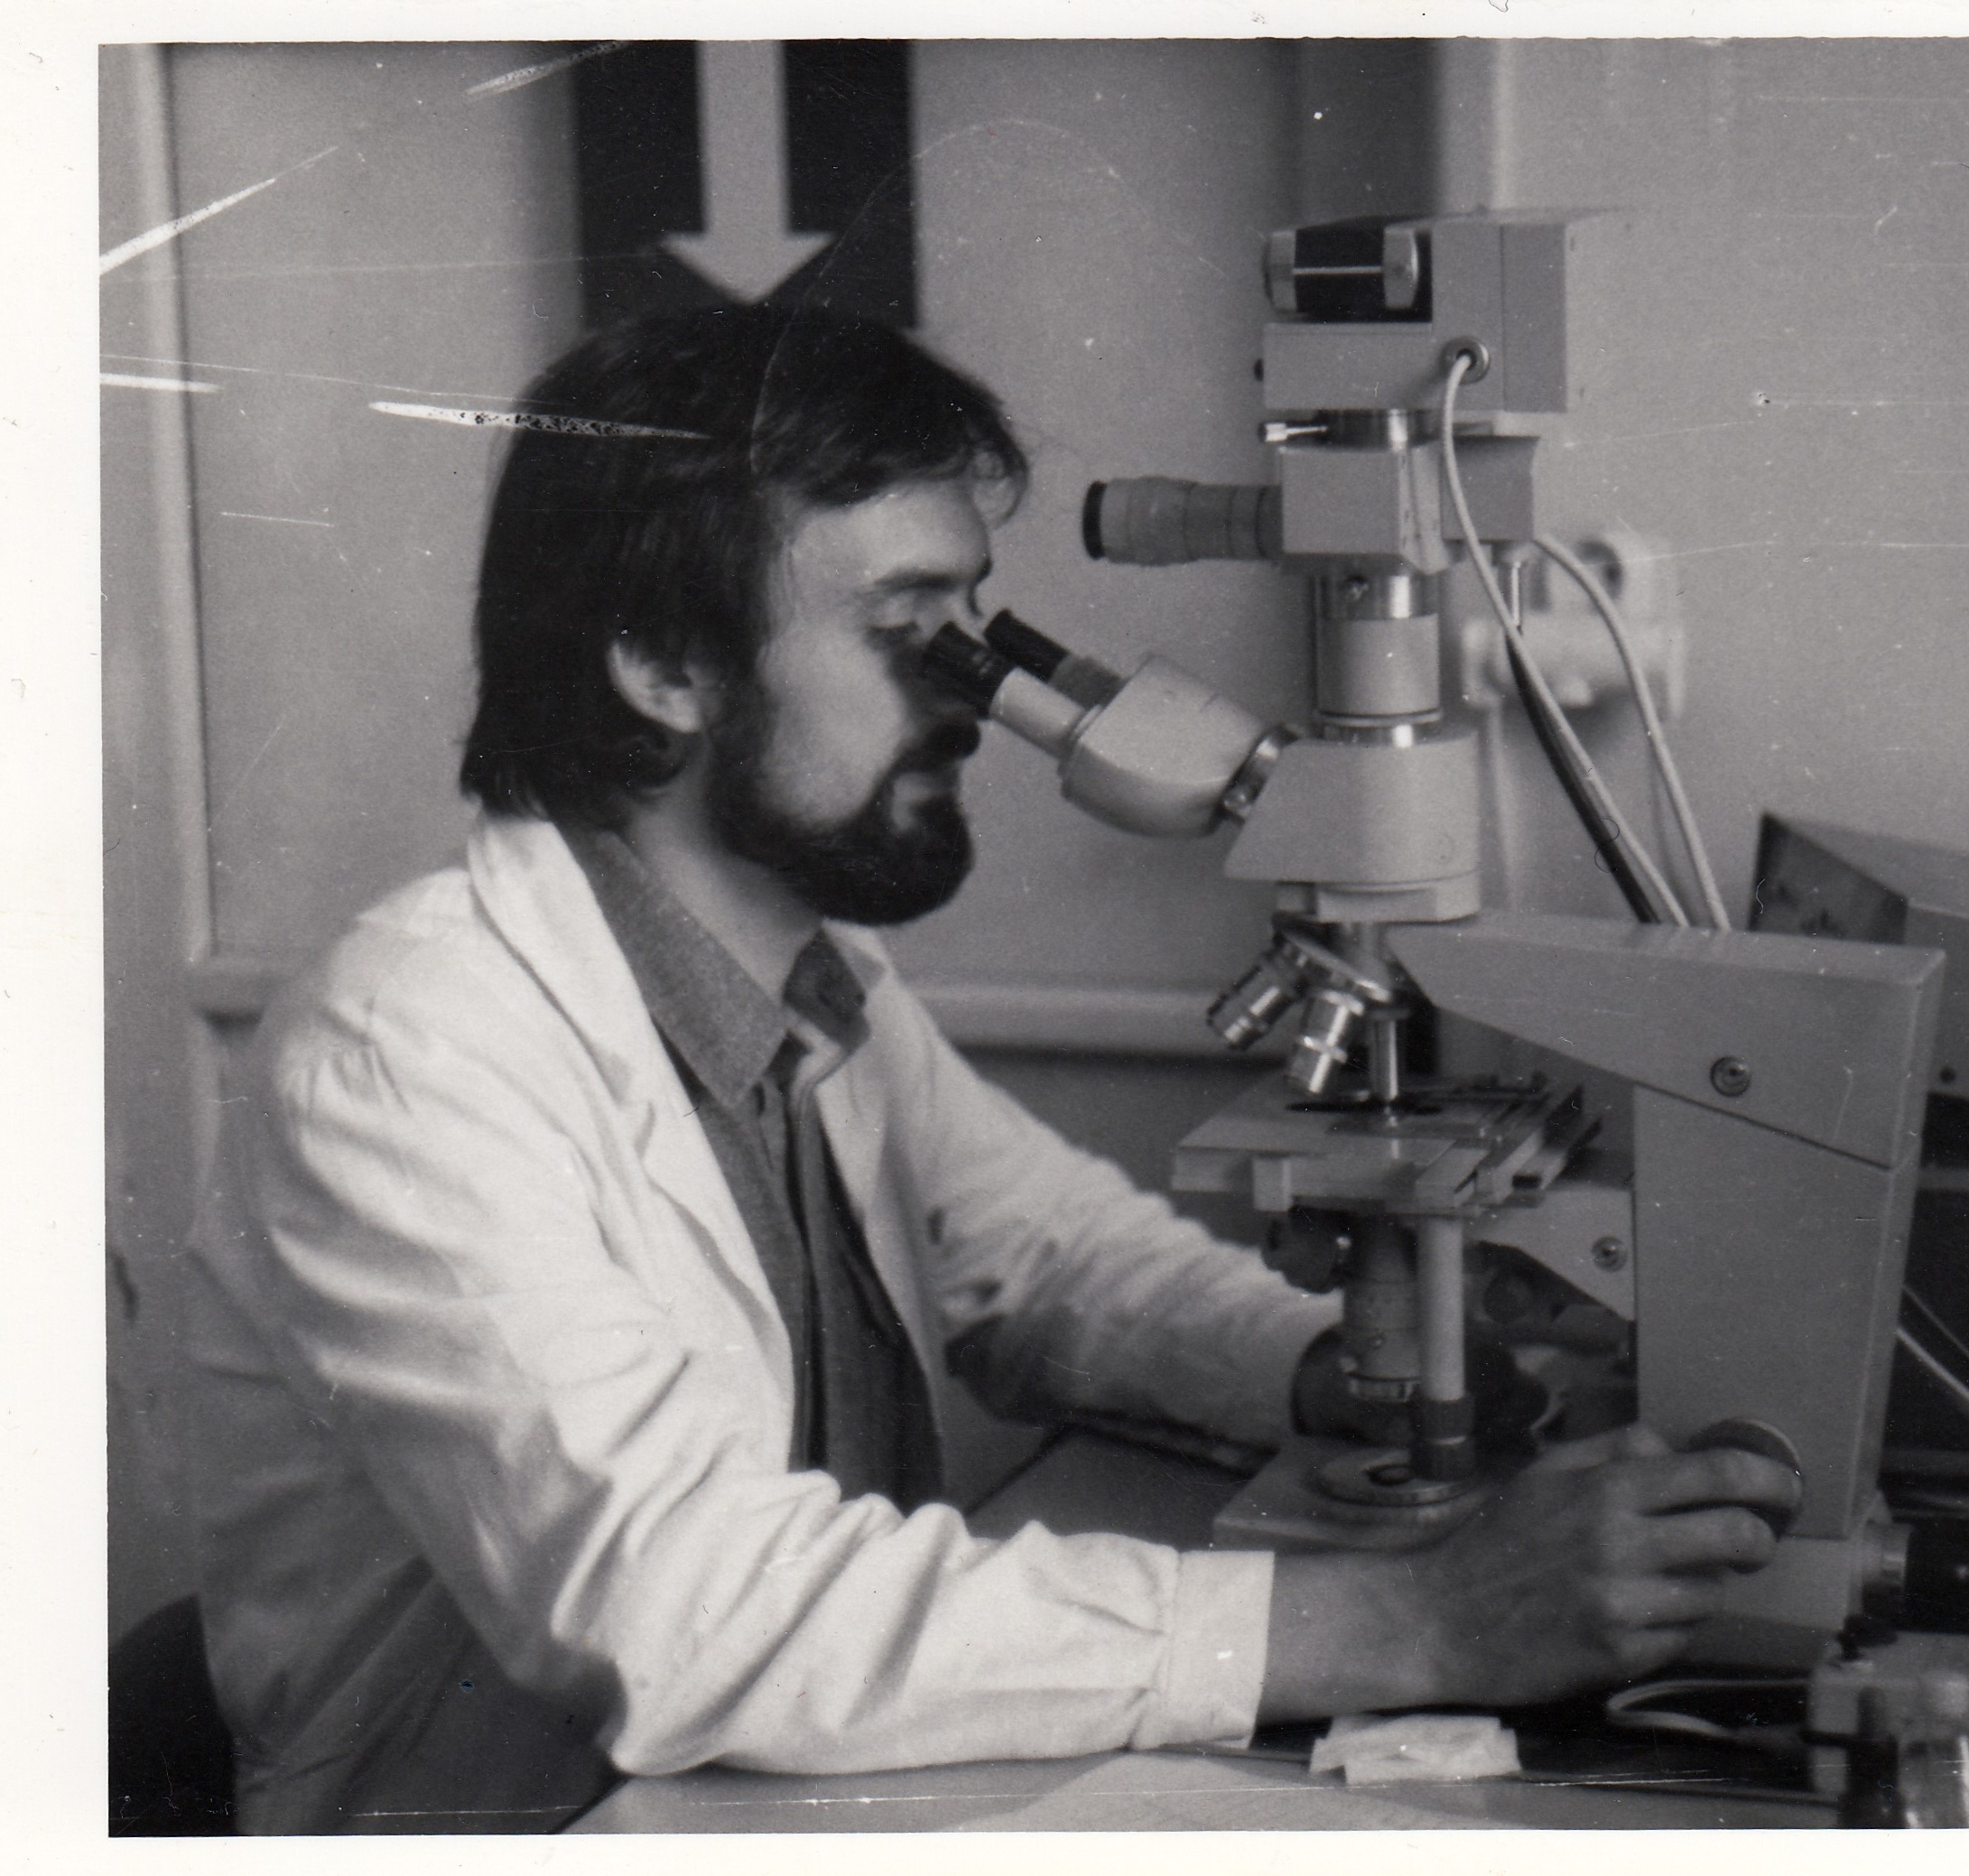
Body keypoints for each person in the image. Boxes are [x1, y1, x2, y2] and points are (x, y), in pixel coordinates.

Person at [182, 303, 1799, 1834]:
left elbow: (1048, 1265)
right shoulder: (411, 1050)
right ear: (666, 665)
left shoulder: (810, 976)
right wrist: (1409, 1620)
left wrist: (1359, 1368)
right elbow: (685, 1611)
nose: (979, 707)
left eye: (974, 629)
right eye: (909, 636)